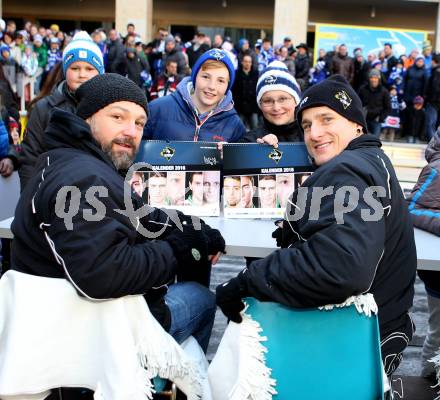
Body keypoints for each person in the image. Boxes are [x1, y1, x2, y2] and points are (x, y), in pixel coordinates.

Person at [11, 73, 225, 361]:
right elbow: (102, 273)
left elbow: (138, 212)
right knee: (202, 299)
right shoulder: (83, 179)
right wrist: (177, 248)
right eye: (117, 117)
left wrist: (189, 226)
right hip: (92, 339)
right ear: (87, 118)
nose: (130, 131)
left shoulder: (74, 162)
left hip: (71, 323)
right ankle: (164, 378)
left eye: (139, 123)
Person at [216, 75, 416, 379]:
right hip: (375, 333)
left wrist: (247, 280)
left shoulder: (347, 169)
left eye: (326, 119)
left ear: (356, 125)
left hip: (346, 344)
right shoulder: (371, 159)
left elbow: (342, 267)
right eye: (307, 125)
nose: (314, 133)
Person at [19, 31, 104, 190]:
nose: (82, 74)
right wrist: (29, 200)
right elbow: (30, 158)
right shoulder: (44, 108)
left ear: (100, 71)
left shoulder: (111, 107)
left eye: (89, 68)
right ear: (65, 71)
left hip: (99, 194)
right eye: (75, 68)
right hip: (54, 194)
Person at [143, 48, 245, 142]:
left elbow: (242, 160)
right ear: (195, 77)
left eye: (221, 81)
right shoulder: (157, 109)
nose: (212, 86)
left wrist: (229, 157)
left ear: (228, 85)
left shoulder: (235, 126)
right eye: (205, 77)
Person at [406, 129, 440, 382]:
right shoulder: (437, 169)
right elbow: (412, 208)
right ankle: (428, 373)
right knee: (438, 328)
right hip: (438, 272)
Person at [240, 61, 302, 145]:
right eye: (268, 101)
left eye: (283, 99)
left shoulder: (313, 136)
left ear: (296, 101)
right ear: (260, 105)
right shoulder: (249, 142)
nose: (276, 108)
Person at [358, 69, 391, 137]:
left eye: (376, 78)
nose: (374, 80)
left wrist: (380, 118)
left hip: (376, 120)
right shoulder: (363, 89)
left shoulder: (384, 91)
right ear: (369, 78)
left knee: (375, 142)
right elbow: (357, 103)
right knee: (362, 140)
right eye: (372, 77)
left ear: (379, 79)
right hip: (364, 120)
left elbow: (388, 107)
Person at [232, 54, 259, 131]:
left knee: (255, 128)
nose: (247, 63)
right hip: (240, 106)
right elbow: (234, 90)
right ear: (242, 62)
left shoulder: (256, 73)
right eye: (246, 61)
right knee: (239, 129)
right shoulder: (236, 74)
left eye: (249, 62)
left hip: (253, 106)